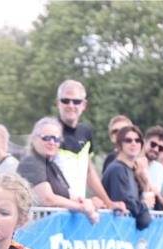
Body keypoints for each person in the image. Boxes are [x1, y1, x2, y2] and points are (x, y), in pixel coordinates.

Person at [17, 117, 100, 223]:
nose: (52, 142)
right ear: (34, 139)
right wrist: (82, 208)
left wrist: (89, 203)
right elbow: (48, 199)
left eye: (57, 139)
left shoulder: (52, 165)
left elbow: (70, 195)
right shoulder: (31, 162)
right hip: (34, 231)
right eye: (46, 138)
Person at [54, 80, 114, 210]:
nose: (71, 105)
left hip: (79, 210)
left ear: (84, 104)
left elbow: (89, 171)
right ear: (58, 103)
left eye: (76, 101)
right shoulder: (49, 131)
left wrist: (108, 203)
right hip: (55, 210)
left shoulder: (85, 132)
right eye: (65, 100)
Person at [101, 125, 153, 229]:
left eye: (137, 140)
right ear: (120, 144)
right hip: (115, 232)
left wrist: (145, 183)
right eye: (128, 140)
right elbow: (128, 205)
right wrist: (145, 205)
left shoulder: (133, 170)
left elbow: (145, 216)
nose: (133, 143)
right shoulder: (117, 169)